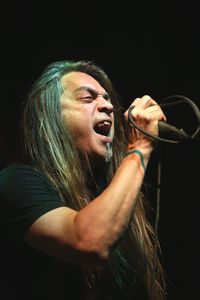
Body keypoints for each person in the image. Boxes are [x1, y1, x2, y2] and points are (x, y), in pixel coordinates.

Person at [0, 60, 167, 300]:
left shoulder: (109, 193)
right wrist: (140, 146)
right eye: (88, 99)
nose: (107, 106)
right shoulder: (17, 182)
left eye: (108, 99)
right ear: (51, 117)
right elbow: (89, 242)